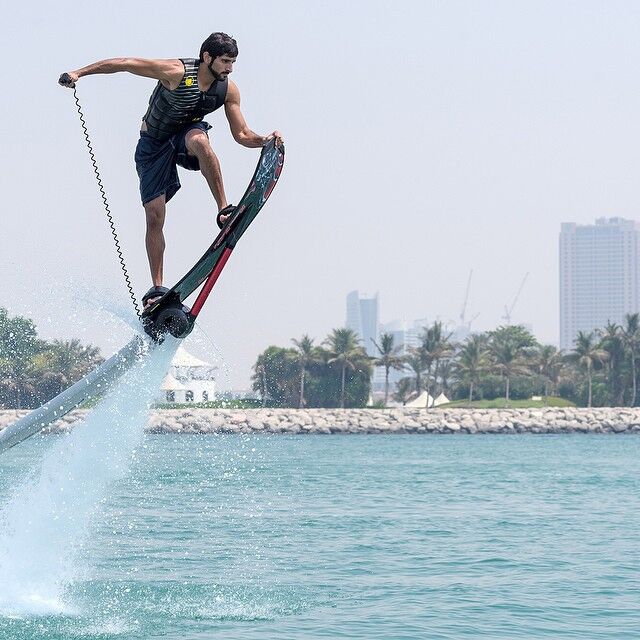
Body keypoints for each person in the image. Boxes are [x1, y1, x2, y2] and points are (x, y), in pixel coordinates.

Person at [59, 32, 282, 308]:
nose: (229, 68)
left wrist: (264, 140)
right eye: (225, 61)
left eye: (233, 62)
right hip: (153, 144)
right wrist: (79, 73)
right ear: (207, 57)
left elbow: (242, 133)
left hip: (186, 137)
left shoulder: (228, 90)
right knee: (154, 215)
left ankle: (224, 209)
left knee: (200, 140)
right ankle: (157, 288)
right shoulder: (175, 72)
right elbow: (126, 62)